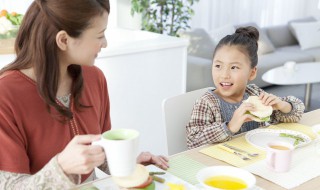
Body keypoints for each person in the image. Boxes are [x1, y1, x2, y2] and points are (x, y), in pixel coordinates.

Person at [0, 0, 168, 189]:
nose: (105, 44)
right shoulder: (5, 96)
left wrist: (125, 163)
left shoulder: (95, 78)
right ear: (63, 40)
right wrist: (61, 168)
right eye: (100, 35)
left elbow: (98, 150)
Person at [186, 26, 305, 149]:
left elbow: (298, 111)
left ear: (252, 73)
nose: (224, 75)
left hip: (256, 158)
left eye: (234, 67)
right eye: (218, 66)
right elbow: (193, 141)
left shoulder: (254, 93)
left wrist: (283, 106)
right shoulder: (207, 102)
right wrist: (230, 126)